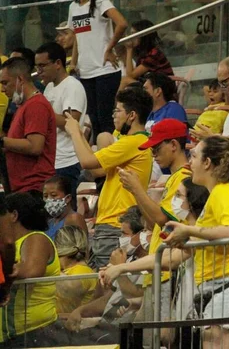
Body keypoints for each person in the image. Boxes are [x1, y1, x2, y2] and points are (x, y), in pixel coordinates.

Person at [102, 136, 229, 348]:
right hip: (222, 289)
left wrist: (188, 229)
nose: (190, 162)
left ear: (207, 163)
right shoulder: (218, 196)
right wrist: (122, 268)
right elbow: (173, 258)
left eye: (195, 156)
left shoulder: (223, 191)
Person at [65, 87, 153, 270]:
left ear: (132, 115)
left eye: (118, 110)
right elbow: (97, 170)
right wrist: (80, 135)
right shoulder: (129, 141)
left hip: (116, 223)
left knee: (107, 287)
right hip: (109, 224)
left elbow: (87, 162)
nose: (114, 115)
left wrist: (74, 132)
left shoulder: (133, 142)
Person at [117, 118, 193, 325]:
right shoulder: (173, 178)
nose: (153, 154)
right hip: (159, 272)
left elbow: (163, 219)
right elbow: (152, 223)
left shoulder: (184, 177)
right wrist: (136, 193)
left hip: (168, 271)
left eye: (157, 148)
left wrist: (137, 189)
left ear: (174, 145)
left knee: (158, 337)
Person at [64, 207, 150, 341]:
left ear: (141, 235)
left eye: (124, 234)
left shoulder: (150, 264)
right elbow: (107, 298)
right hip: (105, 326)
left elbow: (136, 295)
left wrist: (120, 268)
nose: (121, 239)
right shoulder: (129, 259)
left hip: (127, 333)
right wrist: (81, 310)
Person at [68, 0, 128, 141]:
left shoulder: (101, 1)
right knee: (94, 119)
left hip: (105, 70)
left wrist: (109, 48)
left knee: (105, 119)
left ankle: (110, 157)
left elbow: (122, 23)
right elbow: (78, 37)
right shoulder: (73, 7)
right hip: (86, 72)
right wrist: (73, 61)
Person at [0, 193, 62, 347]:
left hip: (34, 333)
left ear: (14, 215)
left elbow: (31, 271)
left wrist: (6, 268)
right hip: (11, 335)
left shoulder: (36, 237)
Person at [36, 42, 87, 197]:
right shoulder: (49, 88)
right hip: (52, 159)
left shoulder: (72, 86)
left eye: (42, 66)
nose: (38, 71)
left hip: (68, 160)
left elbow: (70, 123)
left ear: (58, 63)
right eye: (36, 67)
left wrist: (42, 108)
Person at [0, 57, 56, 196]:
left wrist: (2, 141)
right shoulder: (24, 106)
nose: (2, 89)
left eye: (5, 83)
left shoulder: (36, 105)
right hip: (21, 187)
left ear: (20, 79)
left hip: (33, 188)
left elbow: (35, 146)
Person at [55, 225, 97, 315]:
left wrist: (49, 268)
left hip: (71, 326)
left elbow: (69, 289)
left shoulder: (83, 271)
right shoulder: (66, 270)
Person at [122, 19, 174, 88]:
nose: (131, 38)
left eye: (134, 34)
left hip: (162, 88)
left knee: (125, 81)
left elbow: (130, 75)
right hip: (153, 84)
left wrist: (129, 49)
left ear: (143, 36)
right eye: (131, 34)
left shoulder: (154, 54)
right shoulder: (145, 53)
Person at [43, 175, 87, 240]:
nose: (49, 199)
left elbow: (81, 247)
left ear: (68, 198)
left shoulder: (74, 219)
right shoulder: (49, 222)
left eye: (53, 195)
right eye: (46, 196)